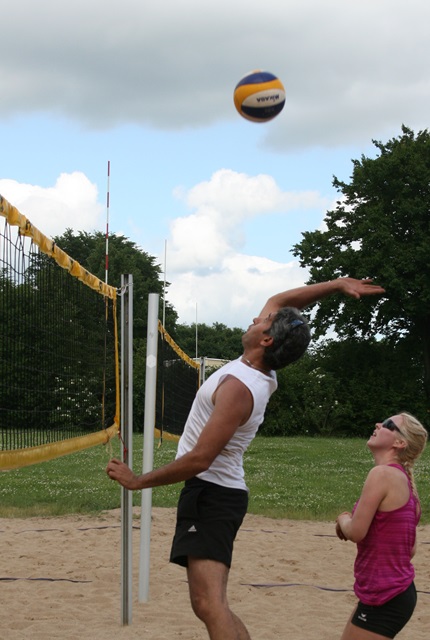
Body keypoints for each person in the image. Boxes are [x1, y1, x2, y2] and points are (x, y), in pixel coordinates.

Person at [107, 277, 385, 640]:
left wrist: (137, 481)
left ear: (266, 340)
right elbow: (280, 299)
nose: (256, 318)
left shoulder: (240, 388)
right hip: (216, 493)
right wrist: (337, 285)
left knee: (209, 604)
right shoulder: (253, 368)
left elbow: (200, 459)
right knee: (211, 604)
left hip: (212, 494)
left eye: (263, 321)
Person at [336, 412, 428, 640]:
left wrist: (343, 519)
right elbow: (410, 549)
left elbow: (356, 532)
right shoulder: (404, 481)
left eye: (388, 424)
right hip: (394, 593)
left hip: (385, 596)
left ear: (400, 443)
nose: (378, 424)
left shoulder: (382, 474)